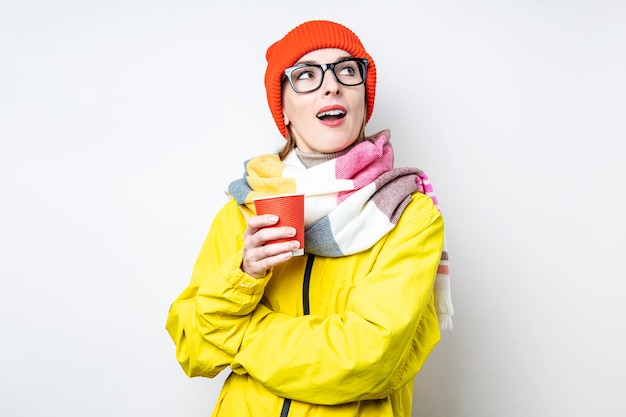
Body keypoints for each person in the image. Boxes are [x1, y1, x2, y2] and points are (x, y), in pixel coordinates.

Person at [166, 19, 453, 416]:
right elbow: (193, 349)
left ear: (362, 100)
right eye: (306, 75)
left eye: (347, 71)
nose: (331, 85)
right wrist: (244, 277)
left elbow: (367, 358)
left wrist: (238, 333)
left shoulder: (407, 213)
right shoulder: (244, 210)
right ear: (282, 107)